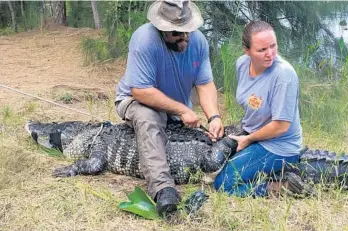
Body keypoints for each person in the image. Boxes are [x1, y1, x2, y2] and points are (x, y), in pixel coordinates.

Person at [115, 0, 224, 216]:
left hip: (173, 109)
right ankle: (163, 189)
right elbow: (141, 91)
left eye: (187, 30)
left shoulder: (199, 42)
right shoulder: (144, 39)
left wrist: (214, 117)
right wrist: (182, 110)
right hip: (135, 100)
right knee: (148, 116)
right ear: (161, 29)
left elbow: (204, 84)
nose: (184, 36)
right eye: (176, 32)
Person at [214, 20, 309, 197]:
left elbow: (281, 126)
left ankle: (279, 187)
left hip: (279, 145)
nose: (270, 54)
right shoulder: (242, 64)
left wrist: (248, 139)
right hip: (253, 134)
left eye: (273, 46)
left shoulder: (284, 75)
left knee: (223, 184)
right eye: (262, 50)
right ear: (247, 51)